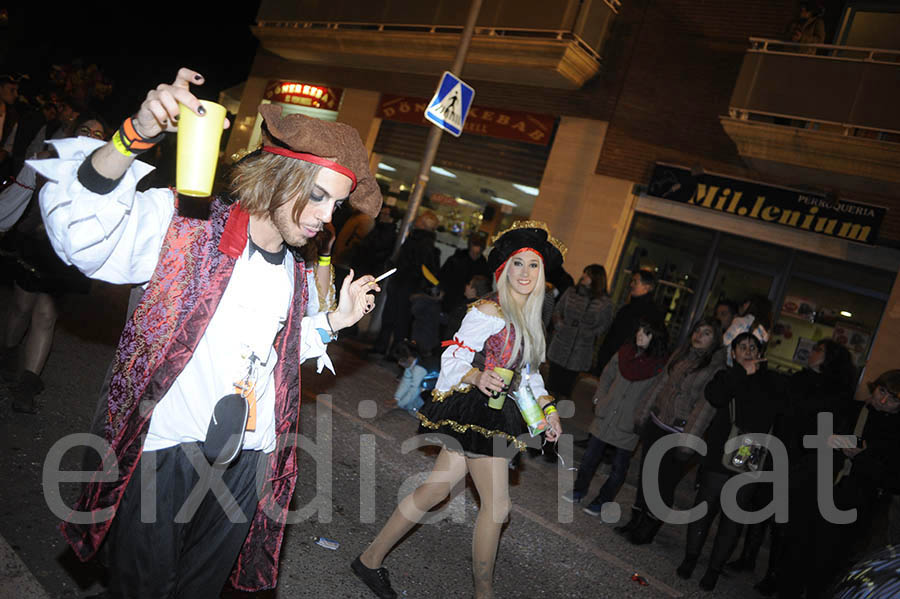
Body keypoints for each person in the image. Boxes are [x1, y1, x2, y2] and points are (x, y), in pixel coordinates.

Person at [35, 68, 382, 598]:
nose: (323, 217)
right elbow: (80, 236)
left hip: (249, 458)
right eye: (315, 197)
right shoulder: (187, 226)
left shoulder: (294, 268)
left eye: (334, 205)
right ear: (277, 177)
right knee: (142, 588)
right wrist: (135, 135)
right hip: (169, 447)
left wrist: (333, 322)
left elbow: (276, 351)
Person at [352, 221, 565, 599]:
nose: (526, 273)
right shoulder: (489, 310)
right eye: (518, 263)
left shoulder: (530, 322)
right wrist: (477, 375)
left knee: (435, 491)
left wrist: (549, 410)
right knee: (497, 507)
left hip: (497, 412)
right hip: (475, 411)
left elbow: (528, 375)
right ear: (504, 270)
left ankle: (369, 560)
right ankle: (483, 594)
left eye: (534, 265)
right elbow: (453, 355)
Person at [1, 115, 107, 413]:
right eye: (85, 130)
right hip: (35, 245)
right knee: (22, 307)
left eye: (98, 133)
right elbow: (19, 197)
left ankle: (26, 387)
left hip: (67, 254)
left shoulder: (108, 172)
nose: (91, 135)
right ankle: (8, 351)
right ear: (73, 134)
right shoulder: (47, 159)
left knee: (46, 316)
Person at [779, 368, 900, 599]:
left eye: (893, 398)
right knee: (794, 558)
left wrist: (861, 457)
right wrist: (831, 439)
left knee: (827, 570)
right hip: (814, 494)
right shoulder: (851, 409)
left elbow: (893, 479)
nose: (883, 400)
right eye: (881, 391)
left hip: (852, 508)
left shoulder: (895, 433)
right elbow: (805, 436)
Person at [677, 332, 782, 591]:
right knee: (704, 508)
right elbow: (716, 396)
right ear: (733, 353)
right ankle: (690, 558)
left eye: (753, 347)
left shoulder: (771, 382)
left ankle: (714, 569)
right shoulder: (726, 375)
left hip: (751, 454)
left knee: (732, 519)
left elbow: (776, 414)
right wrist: (740, 372)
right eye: (742, 347)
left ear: (760, 353)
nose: (748, 351)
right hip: (718, 453)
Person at [617, 317, 724, 545]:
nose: (698, 336)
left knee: (663, 483)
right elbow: (660, 385)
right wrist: (643, 413)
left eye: (706, 333)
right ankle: (636, 518)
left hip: (679, 433)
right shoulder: (681, 355)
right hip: (657, 423)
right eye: (697, 330)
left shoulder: (715, 370)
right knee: (646, 476)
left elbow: (703, 409)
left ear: (715, 340)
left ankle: (649, 525)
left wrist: (688, 442)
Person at [563, 318, 669, 515]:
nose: (640, 335)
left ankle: (602, 501)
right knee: (589, 458)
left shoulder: (658, 367)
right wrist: (599, 399)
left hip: (629, 423)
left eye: (646, 333)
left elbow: (655, 396)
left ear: (656, 338)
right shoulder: (624, 353)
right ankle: (579, 490)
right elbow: (607, 376)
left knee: (619, 468)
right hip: (605, 414)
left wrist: (639, 418)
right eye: (639, 329)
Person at [547, 264, 614, 400]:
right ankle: (542, 415)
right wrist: (559, 325)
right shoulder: (571, 292)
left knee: (566, 389)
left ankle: (559, 416)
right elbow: (557, 309)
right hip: (561, 344)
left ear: (596, 278)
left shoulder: (605, 302)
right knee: (550, 386)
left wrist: (589, 333)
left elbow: (604, 325)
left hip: (581, 351)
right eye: (584, 272)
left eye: (587, 274)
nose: (583, 276)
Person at [593, 268, 663, 376]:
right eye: (632, 281)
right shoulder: (627, 308)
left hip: (624, 365)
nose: (631, 284)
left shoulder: (651, 313)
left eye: (635, 282)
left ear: (647, 287)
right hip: (610, 360)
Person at [438, 230, 489, 317]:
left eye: (479, 247)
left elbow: (485, 287)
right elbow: (443, 276)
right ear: (470, 245)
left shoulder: (484, 266)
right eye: (475, 245)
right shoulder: (457, 259)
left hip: (469, 304)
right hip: (451, 299)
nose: (476, 250)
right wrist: (441, 291)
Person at [722, 294, 772, 366]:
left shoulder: (741, 321)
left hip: (729, 366)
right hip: (747, 369)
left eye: (746, 302)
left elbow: (724, 344)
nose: (744, 305)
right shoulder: (765, 332)